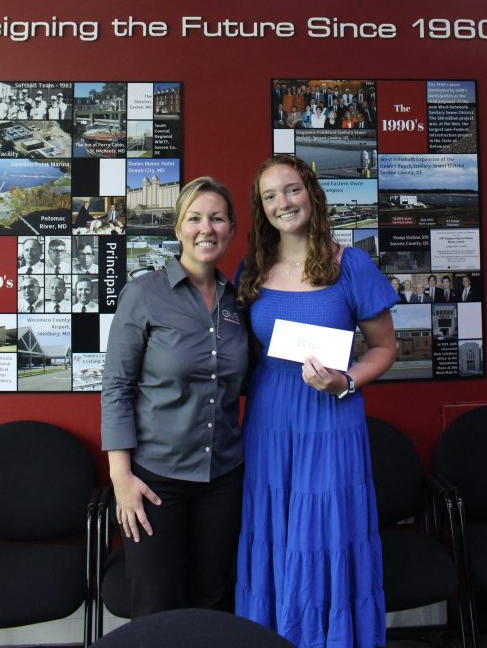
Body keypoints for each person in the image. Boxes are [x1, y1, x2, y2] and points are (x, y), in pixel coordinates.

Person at [235, 154, 397, 648]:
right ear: (261, 208)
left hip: (330, 418)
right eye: (270, 196)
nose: (282, 202)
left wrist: (346, 381)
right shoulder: (253, 269)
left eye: (291, 189)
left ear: (311, 193)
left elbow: (386, 349)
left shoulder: (352, 265)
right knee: (275, 532)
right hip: (269, 422)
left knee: (321, 533)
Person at [101, 177, 248, 619]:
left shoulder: (238, 301)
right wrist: (120, 478)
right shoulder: (144, 294)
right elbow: (116, 387)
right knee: (156, 608)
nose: (207, 228)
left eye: (217, 219)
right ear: (178, 228)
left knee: (215, 603)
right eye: (195, 218)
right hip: (155, 482)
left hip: (223, 477)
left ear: (231, 229)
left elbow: (255, 378)